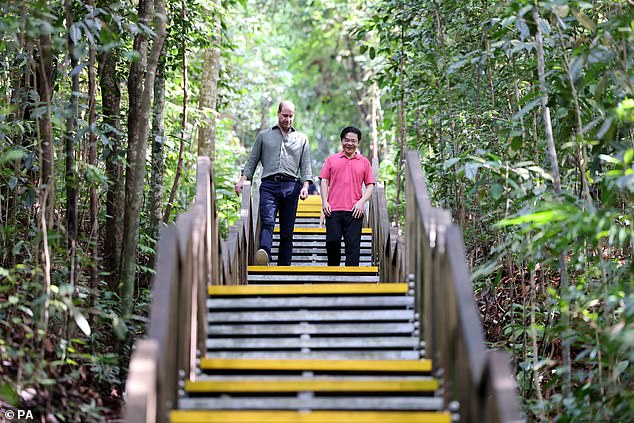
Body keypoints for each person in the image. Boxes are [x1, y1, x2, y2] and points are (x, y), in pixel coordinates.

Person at [234, 100, 312, 266]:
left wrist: (305, 186)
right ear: (278, 114)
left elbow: (306, 166)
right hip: (269, 185)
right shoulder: (264, 136)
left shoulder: (302, 139)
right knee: (268, 221)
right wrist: (242, 180)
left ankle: (284, 267)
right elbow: (252, 161)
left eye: (291, 116)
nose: (288, 119)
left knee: (287, 230)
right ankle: (264, 253)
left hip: (292, 186)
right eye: (285, 115)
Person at [319, 126, 375, 266]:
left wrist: (361, 202)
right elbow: (324, 180)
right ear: (341, 141)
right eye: (346, 140)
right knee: (332, 242)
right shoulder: (331, 160)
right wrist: (324, 202)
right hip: (333, 210)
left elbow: (370, 185)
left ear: (358, 143)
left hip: (355, 211)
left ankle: (351, 283)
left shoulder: (364, 162)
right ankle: (333, 275)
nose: (349, 143)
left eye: (353, 141)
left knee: (353, 247)